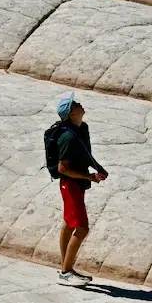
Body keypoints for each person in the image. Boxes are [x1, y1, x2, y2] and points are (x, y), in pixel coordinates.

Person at [53, 94, 107, 286]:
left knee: (69, 223)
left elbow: (85, 153)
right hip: (70, 185)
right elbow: (62, 168)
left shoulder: (82, 128)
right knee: (82, 228)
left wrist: (98, 168)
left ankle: (65, 269)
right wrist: (88, 177)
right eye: (74, 104)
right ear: (71, 113)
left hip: (76, 184)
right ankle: (66, 272)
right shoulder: (67, 136)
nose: (79, 104)